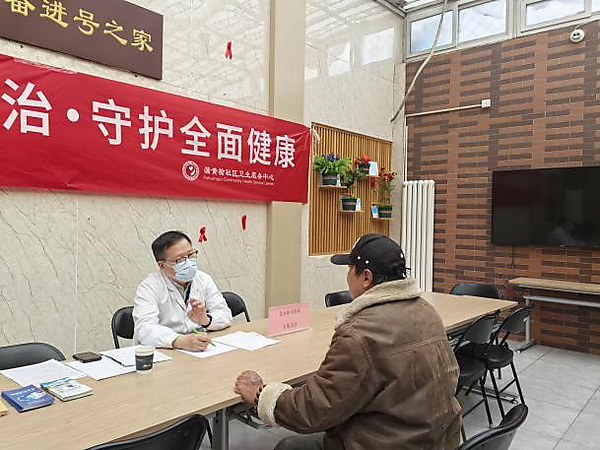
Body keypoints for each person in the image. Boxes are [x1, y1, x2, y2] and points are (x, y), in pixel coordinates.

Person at [234, 234, 461, 450]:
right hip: (440, 438)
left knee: (289, 446)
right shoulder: (427, 311)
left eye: (350, 268)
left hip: (387, 443)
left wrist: (261, 395)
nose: (348, 276)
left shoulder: (359, 333)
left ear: (366, 277)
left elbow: (314, 409)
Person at [133, 230, 232, 351]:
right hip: (165, 351)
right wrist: (178, 341)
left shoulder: (203, 279)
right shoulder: (149, 287)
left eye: (190, 255)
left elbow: (225, 314)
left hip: (200, 350)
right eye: (179, 260)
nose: (188, 263)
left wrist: (205, 320)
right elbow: (144, 329)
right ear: (161, 265)